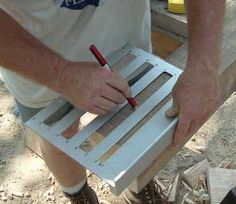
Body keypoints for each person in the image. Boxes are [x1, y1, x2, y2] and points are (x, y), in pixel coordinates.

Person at [0, 0, 225, 203]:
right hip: (36, 59)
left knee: (136, 126)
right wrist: (61, 75)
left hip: (128, 44)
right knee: (59, 137)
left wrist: (204, 66)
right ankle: (78, 193)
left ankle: (138, 188)